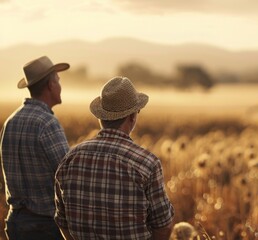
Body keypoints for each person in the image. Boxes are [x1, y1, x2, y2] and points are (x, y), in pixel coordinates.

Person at [55, 76, 175, 240]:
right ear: (132, 116)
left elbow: (62, 221)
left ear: (100, 118)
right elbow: (164, 226)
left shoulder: (70, 158)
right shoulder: (147, 163)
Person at [0, 56, 70, 239]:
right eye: (58, 80)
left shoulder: (10, 121)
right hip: (45, 226)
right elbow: (67, 174)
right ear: (50, 85)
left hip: (16, 221)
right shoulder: (48, 123)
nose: (60, 86)